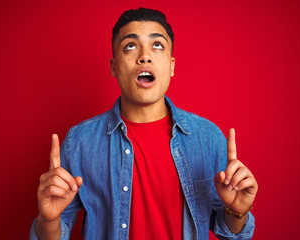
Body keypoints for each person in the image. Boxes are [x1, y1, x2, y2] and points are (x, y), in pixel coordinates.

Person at [30, 7, 258, 240]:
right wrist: (48, 220)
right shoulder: (79, 141)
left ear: (171, 66)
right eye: (130, 46)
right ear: (114, 66)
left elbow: (232, 234)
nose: (145, 56)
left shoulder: (208, 138)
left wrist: (237, 211)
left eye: (157, 45)